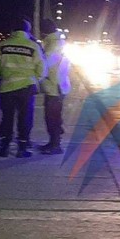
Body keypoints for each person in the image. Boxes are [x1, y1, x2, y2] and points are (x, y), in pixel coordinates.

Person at [0, 20, 46, 157]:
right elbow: (42, 68)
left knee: (7, 117)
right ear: (28, 30)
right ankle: (22, 147)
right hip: (26, 87)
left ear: (13, 30)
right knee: (25, 117)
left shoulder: (3, 45)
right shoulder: (33, 46)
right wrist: (35, 79)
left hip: (6, 87)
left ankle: (4, 146)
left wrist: (2, 76)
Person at [39, 19, 70, 154]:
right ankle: (52, 143)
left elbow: (45, 66)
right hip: (58, 85)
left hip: (54, 87)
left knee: (52, 118)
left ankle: (55, 145)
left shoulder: (52, 45)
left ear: (44, 31)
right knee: (53, 117)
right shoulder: (56, 42)